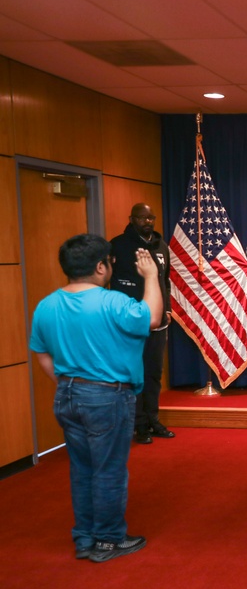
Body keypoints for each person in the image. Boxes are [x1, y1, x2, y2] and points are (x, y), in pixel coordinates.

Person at [29, 233, 163, 562]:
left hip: (68, 395)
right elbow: (154, 317)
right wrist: (152, 277)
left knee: (82, 469)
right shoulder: (112, 302)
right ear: (101, 266)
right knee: (108, 470)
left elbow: (42, 354)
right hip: (107, 397)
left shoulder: (46, 305)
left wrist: (68, 383)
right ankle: (108, 540)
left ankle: (85, 538)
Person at [110, 203, 173, 445]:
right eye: (142, 217)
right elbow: (112, 281)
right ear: (132, 218)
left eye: (151, 217)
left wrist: (166, 308)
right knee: (134, 374)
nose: (147, 221)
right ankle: (138, 425)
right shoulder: (118, 245)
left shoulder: (161, 246)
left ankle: (153, 419)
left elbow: (164, 282)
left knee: (154, 373)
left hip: (157, 322)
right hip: (130, 321)